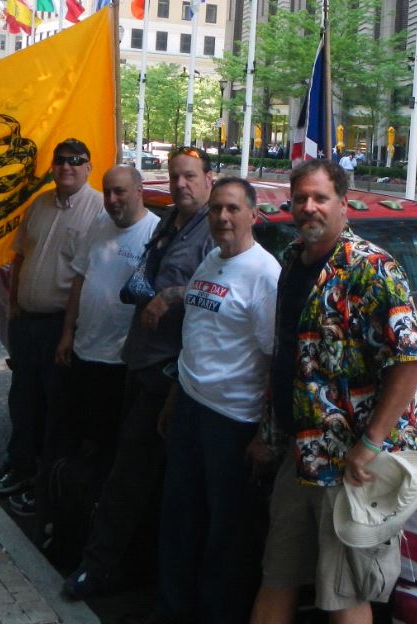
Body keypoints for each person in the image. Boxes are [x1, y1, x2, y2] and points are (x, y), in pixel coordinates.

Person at [250, 159, 417, 624]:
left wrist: (370, 443)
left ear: (343, 204)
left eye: (320, 198)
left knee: (344, 594)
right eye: (300, 198)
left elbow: (410, 360)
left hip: (351, 466)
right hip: (300, 454)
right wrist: (269, 432)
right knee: (275, 575)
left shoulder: (372, 268)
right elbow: (288, 358)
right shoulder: (291, 263)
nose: (309, 207)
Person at [63, 146, 214, 600]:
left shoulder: (214, 229)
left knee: (132, 476)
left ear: (209, 178)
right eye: (174, 177)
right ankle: (129, 567)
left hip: (174, 374)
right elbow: (144, 276)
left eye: (190, 176)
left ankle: (103, 567)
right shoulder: (171, 221)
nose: (181, 185)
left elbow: (220, 289)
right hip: (140, 361)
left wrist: (170, 295)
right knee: (132, 475)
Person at [145, 177, 280, 623]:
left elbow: (274, 360)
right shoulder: (210, 261)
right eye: (217, 208)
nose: (223, 217)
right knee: (179, 520)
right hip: (189, 407)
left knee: (226, 536)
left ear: (252, 216)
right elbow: (195, 338)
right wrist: (173, 397)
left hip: (232, 421)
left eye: (233, 209)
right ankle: (171, 611)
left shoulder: (265, 275)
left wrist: (265, 433)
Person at [0, 138, 103, 507]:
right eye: (60, 161)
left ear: (88, 167)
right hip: (27, 321)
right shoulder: (39, 203)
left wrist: (69, 331)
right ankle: (19, 464)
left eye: (75, 161)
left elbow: (88, 277)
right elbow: (21, 255)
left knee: (58, 408)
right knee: (23, 398)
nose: (66, 166)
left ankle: (46, 481)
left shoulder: (99, 210)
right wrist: (13, 306)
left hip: (61, 327)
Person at [53, 165, 160, 476]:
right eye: (108, 192)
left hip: (119, 362)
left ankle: (95, 507)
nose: (112, 199)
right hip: (83, 349)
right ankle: (71, 499)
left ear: (139, 192)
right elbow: (79, 280)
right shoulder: (100, 223)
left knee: (107, 443)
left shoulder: (154, 234)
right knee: (77, 433)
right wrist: (66, 333)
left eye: (120, 192)